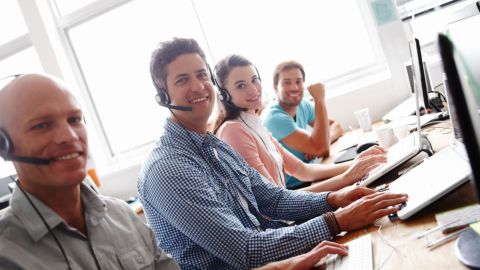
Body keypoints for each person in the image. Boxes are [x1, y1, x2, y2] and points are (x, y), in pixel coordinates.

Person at [138, 37, 408, 270]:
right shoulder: (169, 168)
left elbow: (272, 199)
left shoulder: (213, 145)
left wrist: (335, 198)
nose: (198, 86)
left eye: (201, 75)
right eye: (182, 80)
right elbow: (244, 249)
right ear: (163, 96)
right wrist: (337, 220)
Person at [0, 74, 179, 269]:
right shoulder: (6, 253)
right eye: (42, 125)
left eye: (74, 119)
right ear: (4, 146)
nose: (69, 136)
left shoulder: (121, 215)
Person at [212, 54, 386, 191]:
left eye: (254, 79)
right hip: (279, 225)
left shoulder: (253, 124)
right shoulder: (233, 131)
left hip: (288, 210)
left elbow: (302, 170)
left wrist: (357, 163)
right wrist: (347, 178)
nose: (253, 89)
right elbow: (276, 200)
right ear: (224, 94)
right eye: (241, 85)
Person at [263, 60, 344, 190]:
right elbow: (322, 149)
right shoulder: (274, 118)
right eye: (287, 82)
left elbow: (336, 125)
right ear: (275, 87)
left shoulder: (303, 105)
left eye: (298, 81)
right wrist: (319, 99)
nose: (294, 87)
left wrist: (321, 143)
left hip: (315, 172)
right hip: (295, 188)